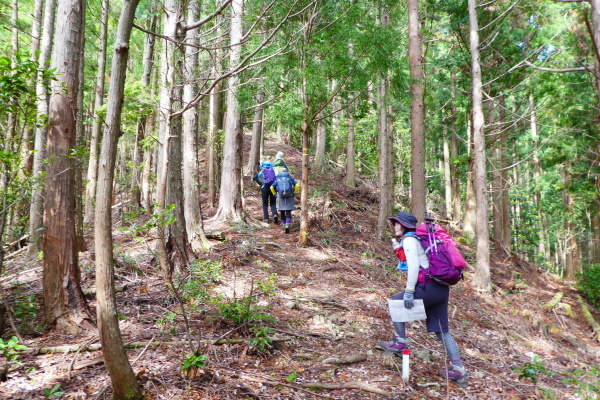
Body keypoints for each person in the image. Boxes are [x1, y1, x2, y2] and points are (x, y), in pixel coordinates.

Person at [378, 211, 468, 387]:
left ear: (404, 225)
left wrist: (410, 291)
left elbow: (413, 267)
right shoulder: (419, 240)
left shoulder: (410, 240)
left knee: (396, 303)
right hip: (441, 289)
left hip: (428, 287)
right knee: (442, 331)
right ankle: (458, 370)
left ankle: (400, 343)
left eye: (397, 223)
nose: (394, 226)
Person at [270, 168, 298, 234]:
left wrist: (275, 194)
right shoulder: (289, 178)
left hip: (280, 196)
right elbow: (297, 185)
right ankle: (288, 224)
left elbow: (271, 187)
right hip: (289, 195)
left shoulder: (277, 179)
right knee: (288, 211)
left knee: (282, 211)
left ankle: (284, 224)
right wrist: (294, 193)